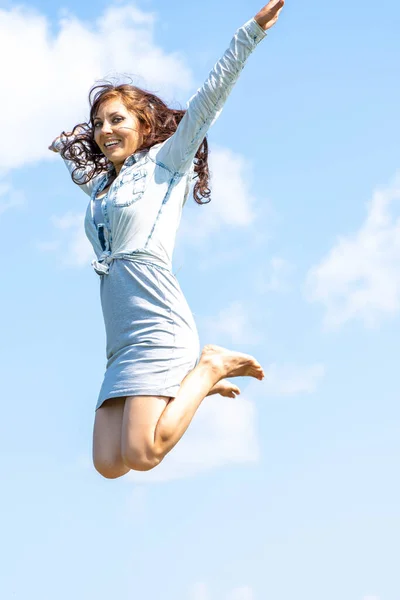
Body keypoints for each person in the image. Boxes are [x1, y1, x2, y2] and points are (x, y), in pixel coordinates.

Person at [49, 0, 284, 478]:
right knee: (108, 464)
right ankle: (190, 385)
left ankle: (208, 368)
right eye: (98, 123)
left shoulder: (165, 165)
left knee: (144, 453)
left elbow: (208, 101)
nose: (105, 130)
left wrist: (251, 34)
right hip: (121, 337)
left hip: (158, 321)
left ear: (142, 124)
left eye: (117, 119)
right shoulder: (99, 187)